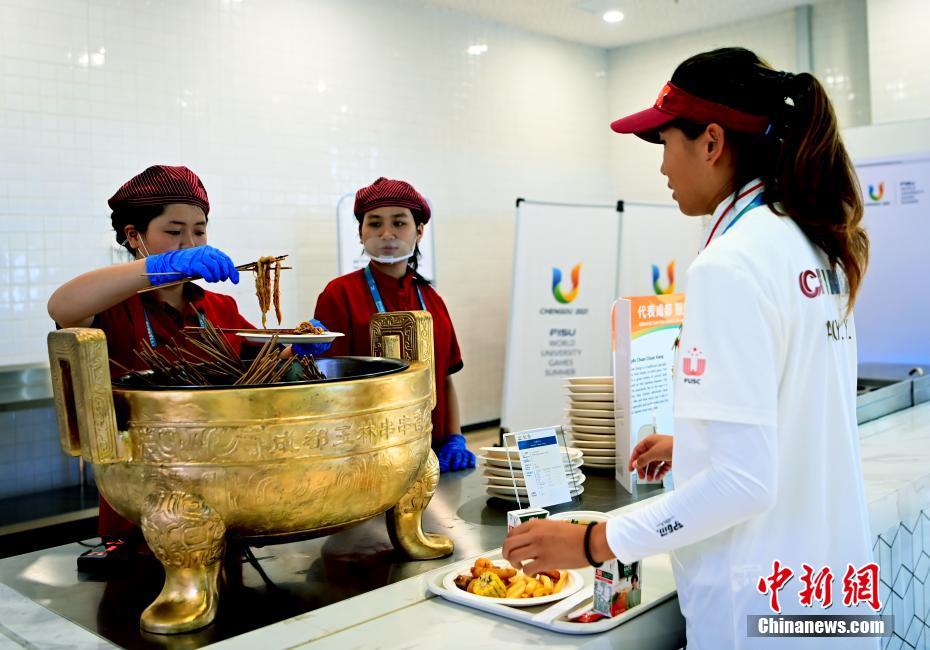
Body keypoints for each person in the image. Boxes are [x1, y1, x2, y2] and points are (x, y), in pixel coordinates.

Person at [503, 48, 874, 649]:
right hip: (830, 593)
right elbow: (797, 412)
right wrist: (698, 445)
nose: (662, 167)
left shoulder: (730, 265)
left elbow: (743, 484)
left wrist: (594, 541)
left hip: (760, 606)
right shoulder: (812, 244)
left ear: (711, 142)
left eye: (664, 142)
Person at [47, 165, 328, 567]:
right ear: (134, 236)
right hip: (140, 506)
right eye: (174, 231)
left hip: (224, 502)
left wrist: (299, 348)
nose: (190, 243)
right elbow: (62, 306)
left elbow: (262, 368)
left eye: (199, 231)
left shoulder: (218, 307)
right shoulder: (111, 307)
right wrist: (160, 268)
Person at [313, 177, 473, 472]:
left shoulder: (432, 300)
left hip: (434, 454)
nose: (387, 234)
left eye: (399, 223)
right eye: (375, 224)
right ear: (360, 233)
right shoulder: (340, 295)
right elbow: (327, 388)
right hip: (366, 457)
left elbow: (445, 378)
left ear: (419, 231)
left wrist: (455, 438)